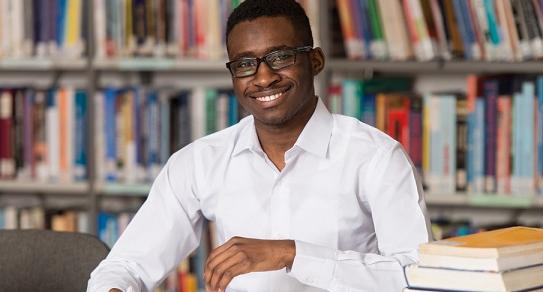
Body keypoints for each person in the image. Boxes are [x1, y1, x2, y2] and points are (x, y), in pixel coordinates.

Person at [87, 1, 431, 291]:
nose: (264, 77)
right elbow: (124, 265)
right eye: (245, 64)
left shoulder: (376, 158)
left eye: (280, 57)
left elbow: (420, 278)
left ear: (315, 61)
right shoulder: (201, 161)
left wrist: (292, 254)